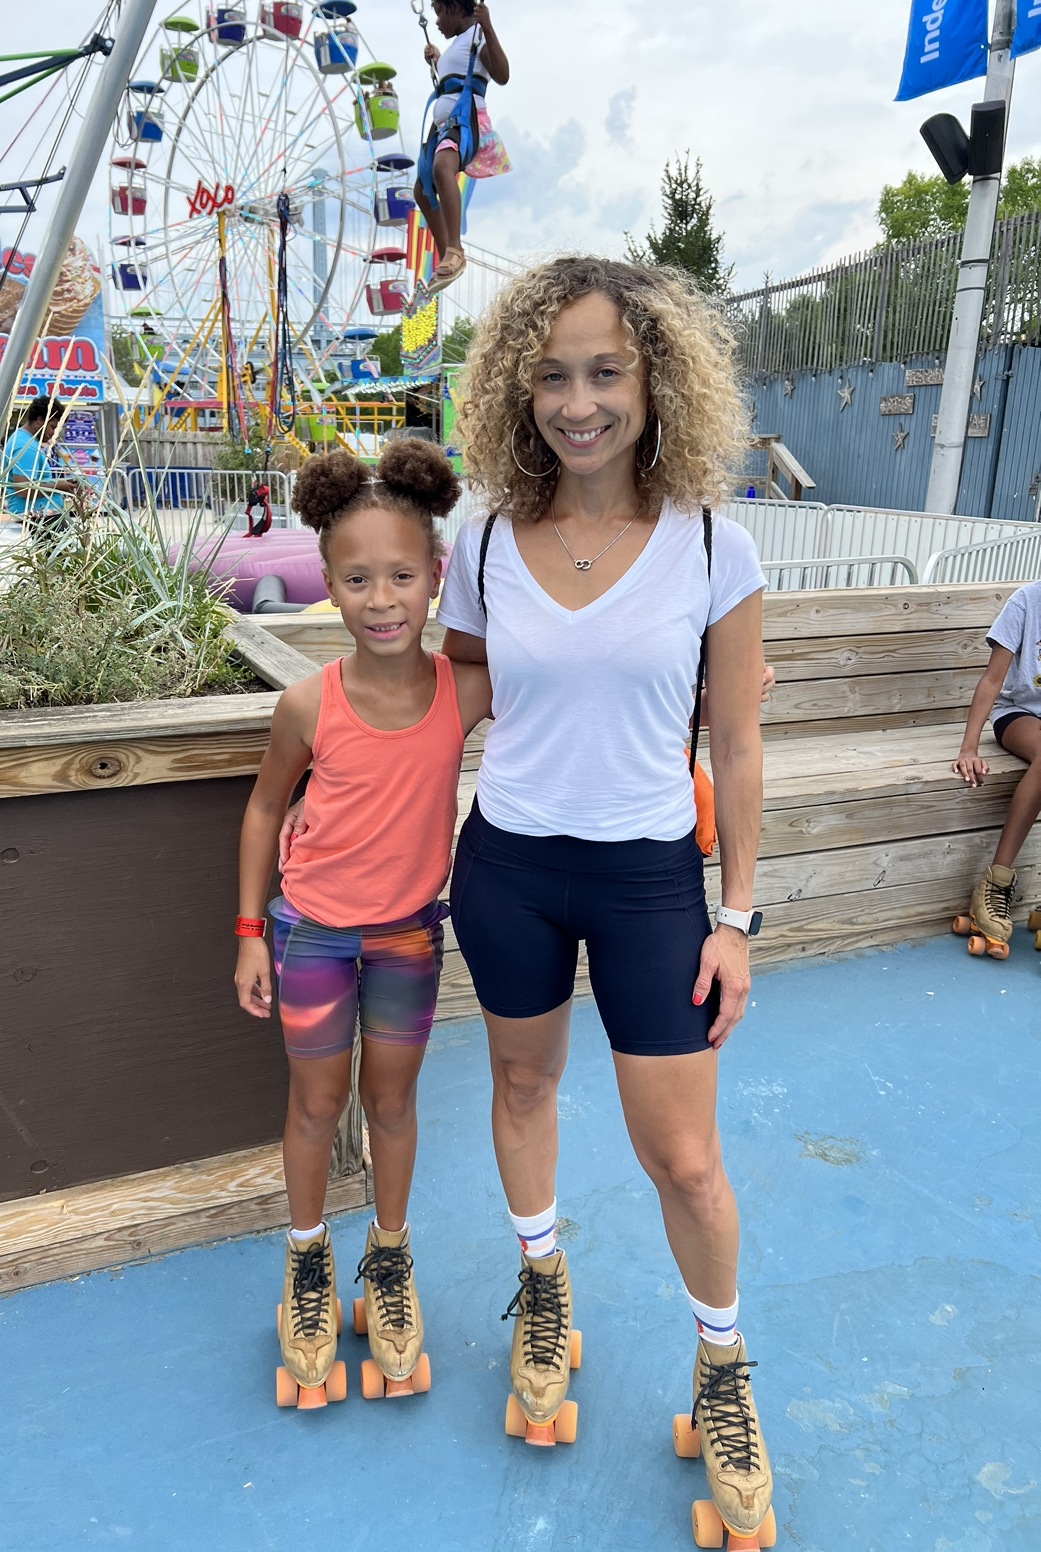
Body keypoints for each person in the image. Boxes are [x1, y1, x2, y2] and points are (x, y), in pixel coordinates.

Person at [437, 256, 772, 1534]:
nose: (578, 402)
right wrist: (351, 754)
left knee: (685, 1161)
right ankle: (542, 1280)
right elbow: (464, 693)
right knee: (521, 1085)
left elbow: (735, 746)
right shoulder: (478, 541)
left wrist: (735, 918)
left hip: (647, 881)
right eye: (553, 374)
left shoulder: (711, 545)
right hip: (508, 866)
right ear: (520, 389)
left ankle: (724, 1368)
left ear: (655, 381)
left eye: (605, 372)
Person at [234, 440, 493, 1407]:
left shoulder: (467, 692)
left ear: (435, 579)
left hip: (407, 939)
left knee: (391, 1105)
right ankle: (308, 1261)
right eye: (356, 579)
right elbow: (265, 809)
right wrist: (250, 932)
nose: (381, 598)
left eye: (401, 575)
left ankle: (388, 1258)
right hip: (307, 936)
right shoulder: (309, 703)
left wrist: (715, 686)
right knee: (314, 1106)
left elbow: (576, 686)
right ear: (328, 588)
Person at [951, 578, 1041, 954]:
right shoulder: (1026, 602)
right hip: (1019, 715)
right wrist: (969, 747)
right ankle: (996, 884)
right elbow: (992, 679)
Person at [414, 0, 509, 291]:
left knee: (444, 168)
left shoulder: (477, 37)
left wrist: (489, 27)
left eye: (440, 14)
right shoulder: (457, 46)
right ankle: (447, 256)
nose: (438, 22)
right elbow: (457, 68)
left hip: (464, 122)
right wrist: (438, 59)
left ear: (455, 9)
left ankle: (455, 250)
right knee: (422, 191)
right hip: (442, 128)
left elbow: (502, 75)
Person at [0, 396, 82, 537]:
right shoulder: (25, 446)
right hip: (38, 517)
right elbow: (23, 489)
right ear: (39, 420)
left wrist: (61, 484)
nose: (53, 434)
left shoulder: (24, 441)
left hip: (41, 515)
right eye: (52, 427)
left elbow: (34, 482)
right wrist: (59, 486)